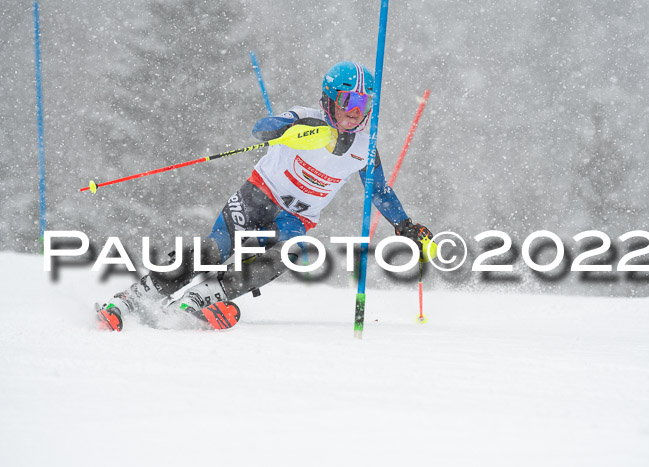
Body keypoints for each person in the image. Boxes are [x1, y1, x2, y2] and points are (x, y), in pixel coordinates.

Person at [96, 61, 433, 332]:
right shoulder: (306, 117)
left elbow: (379, 189)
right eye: (348, 102)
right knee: (216, 249)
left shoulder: (364, 146)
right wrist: (290, 131)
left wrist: (405, 226)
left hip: (294, 218)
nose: (355, 112)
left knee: (291, 253)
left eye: (364, 103)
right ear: (329, 100)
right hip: (257, 196)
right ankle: (130, 300)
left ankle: (202, 297)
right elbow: (262, 128)